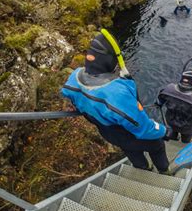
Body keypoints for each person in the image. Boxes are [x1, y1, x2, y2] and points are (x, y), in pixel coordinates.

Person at [61, 30, 170, 173]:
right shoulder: (116, 93)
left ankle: (143, 168)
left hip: (109, 134)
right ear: (109, 60)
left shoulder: (75, 77)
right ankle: (164, 170)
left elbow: (67, 93)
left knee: (129, 150)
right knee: (157, 146)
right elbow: (141, 127)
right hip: (128, 135)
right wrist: (163, 131)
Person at [156, 70, 192, 143]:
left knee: (172, 133)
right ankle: (184, 143)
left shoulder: (169, 88)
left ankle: (172, 139)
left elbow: (159, 101)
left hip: (170, 122)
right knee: (186, 139)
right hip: (187, 128)